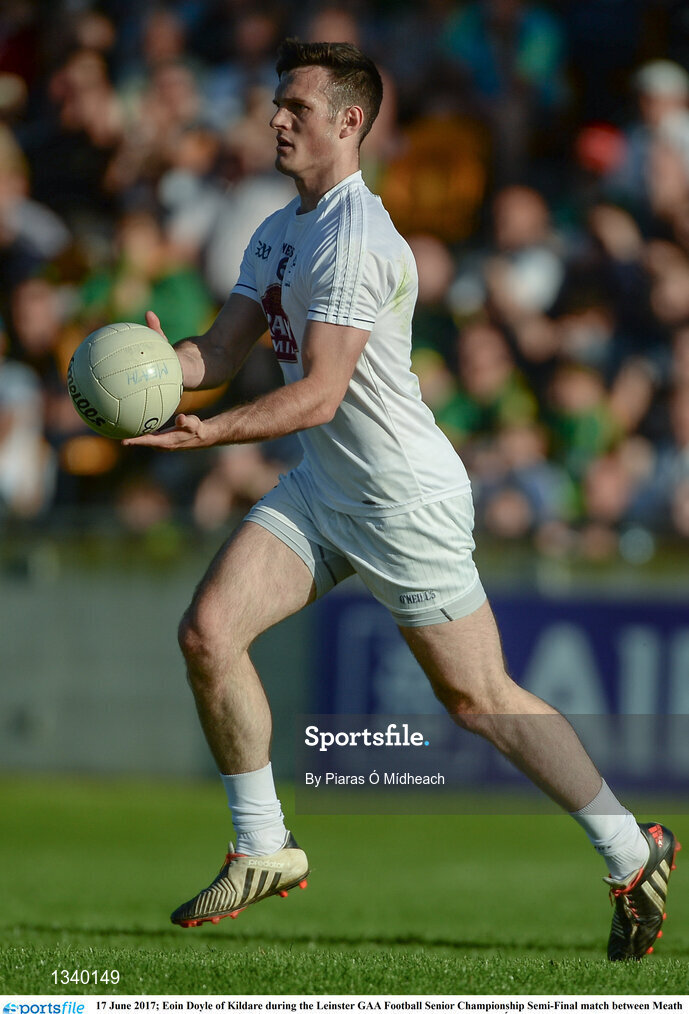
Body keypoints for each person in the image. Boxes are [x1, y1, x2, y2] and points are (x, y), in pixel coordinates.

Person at [124, 39, 679, 960]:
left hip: (399, 499)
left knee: (479, 698)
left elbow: (319, 395)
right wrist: (158, 372)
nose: (276, 119)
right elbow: (217, 355)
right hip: (326, 486)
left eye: (296, 106)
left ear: (349, 121)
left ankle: (631, 850)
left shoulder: (355, 236)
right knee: (207, 632)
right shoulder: (278, 229)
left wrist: (211, 432)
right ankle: (263, 847)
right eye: (275, 102)